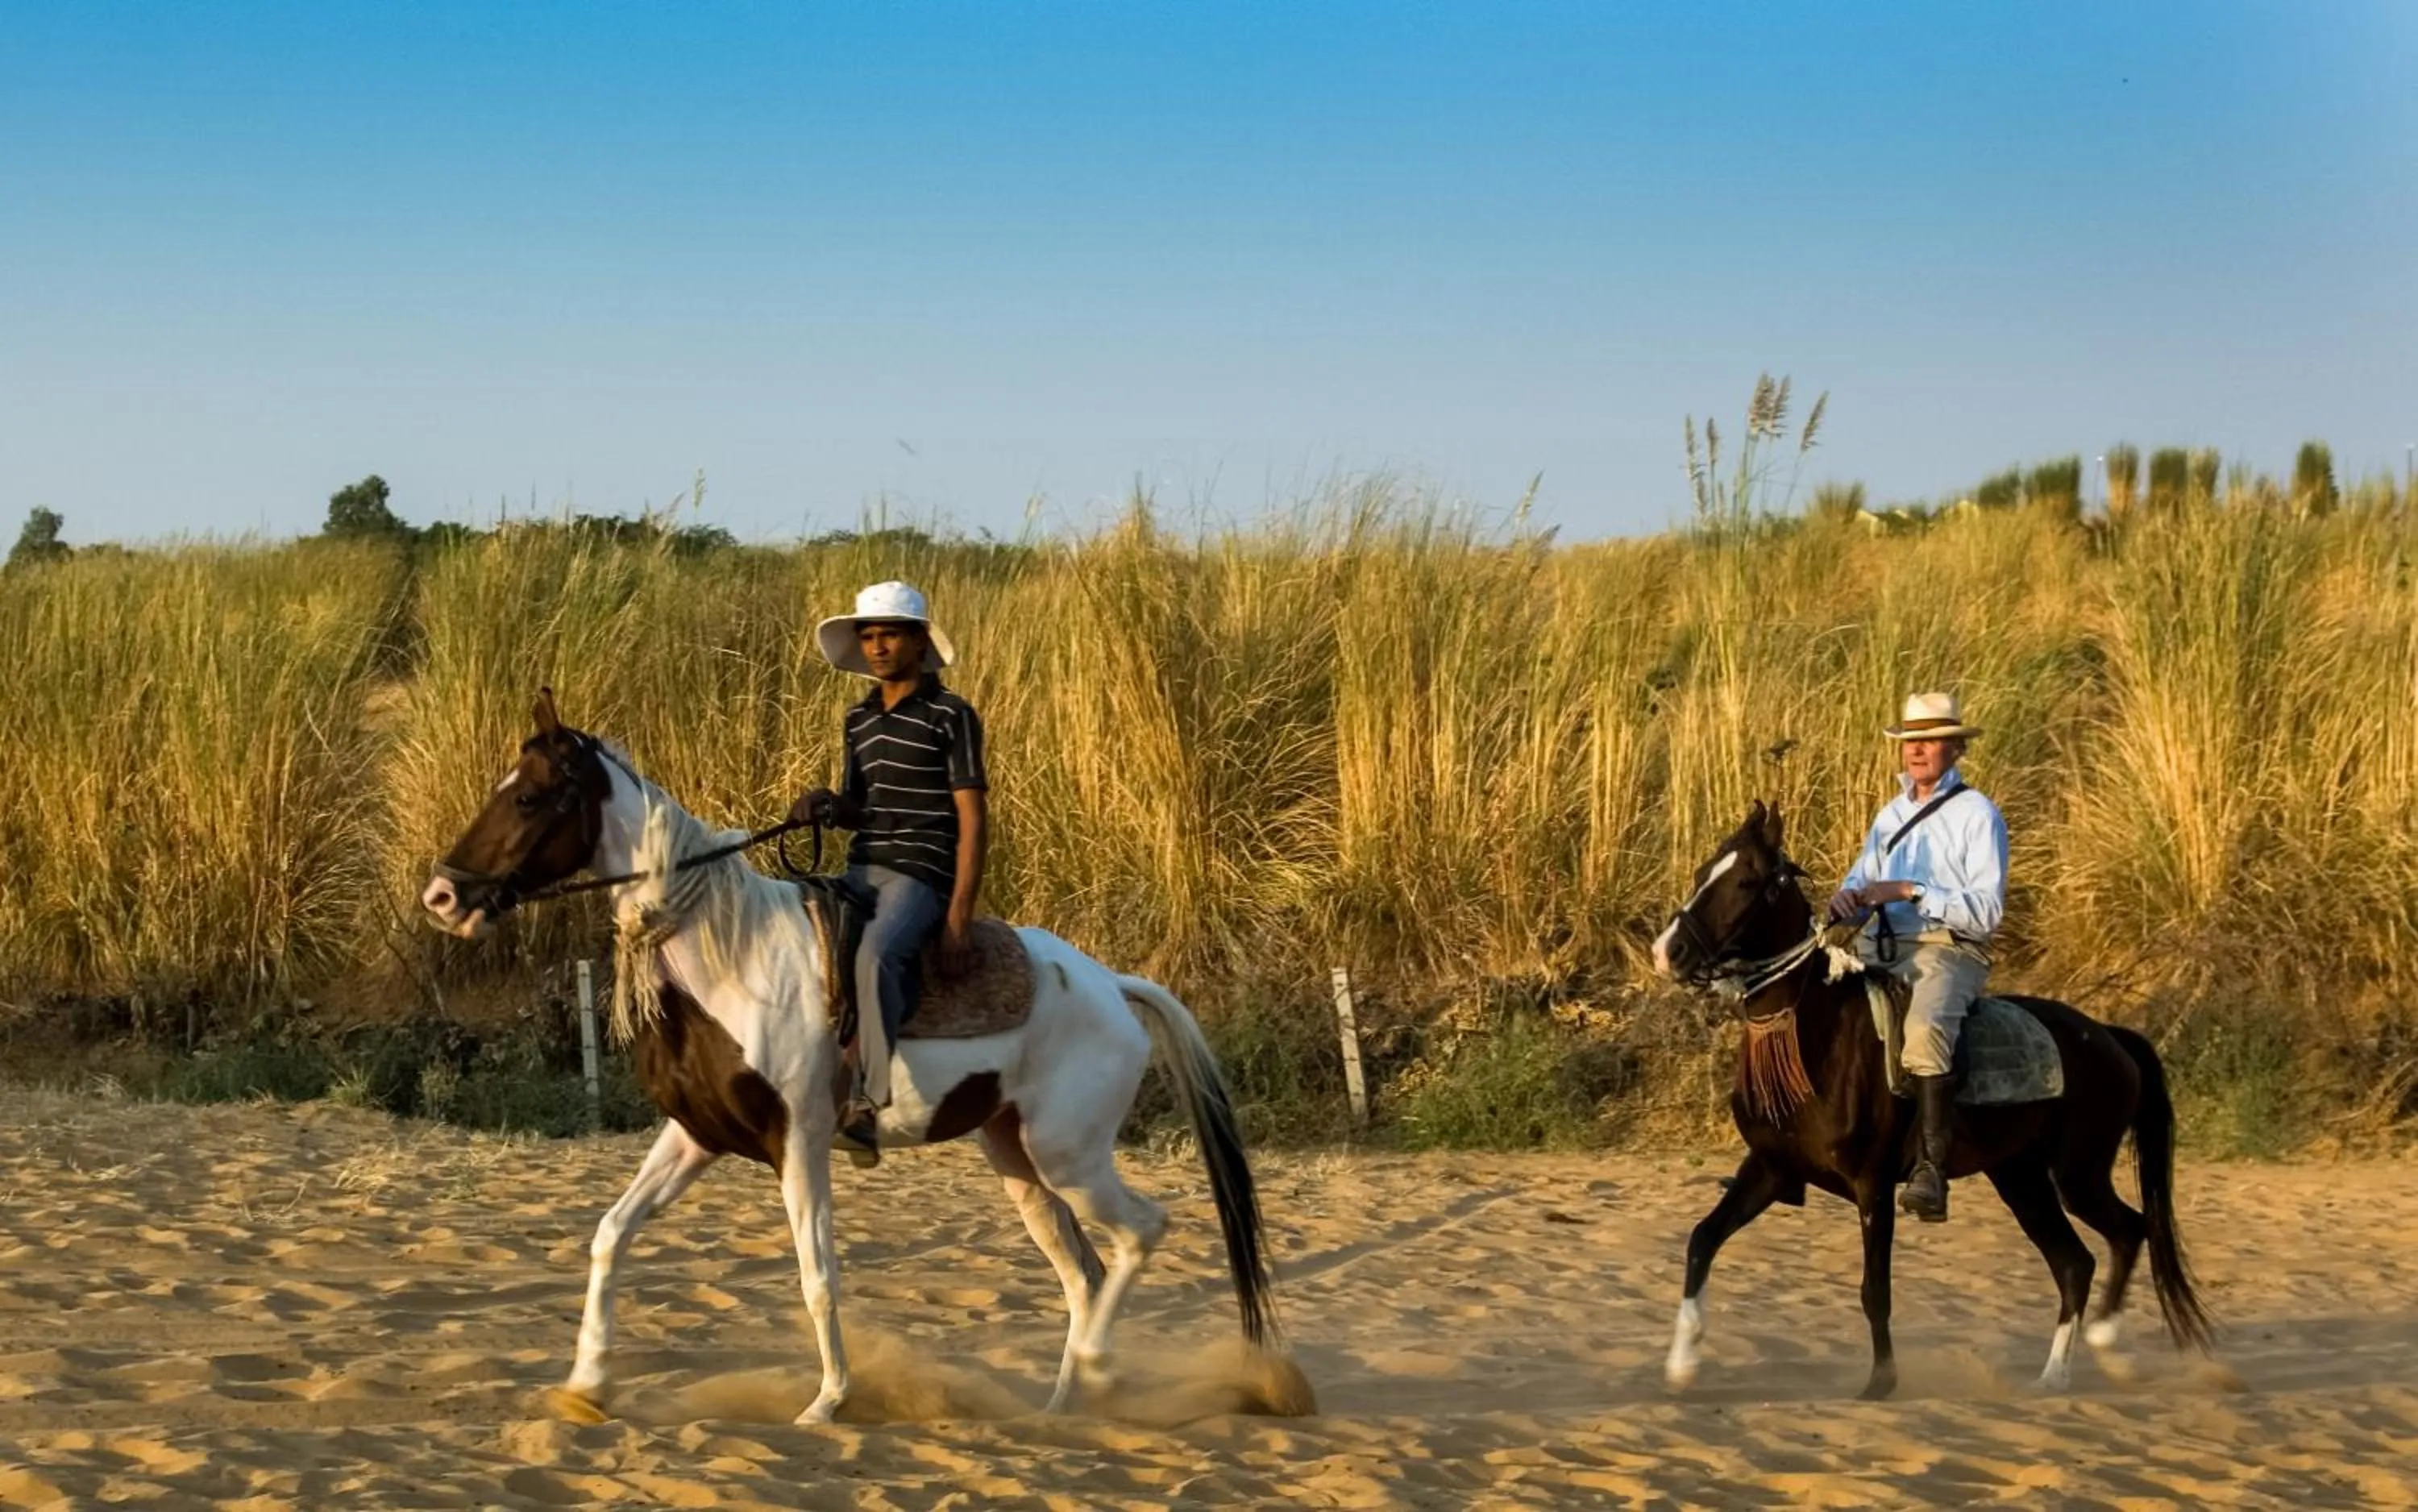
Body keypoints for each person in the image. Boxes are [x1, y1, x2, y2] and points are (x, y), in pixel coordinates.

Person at [790, 582, 989, 1165]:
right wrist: (824, 802)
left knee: (877, 955)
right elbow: (857, 807)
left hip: (922, 870)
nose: (877, 647)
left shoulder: (951, 716)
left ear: (920, 641)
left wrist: (958, 916)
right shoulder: (858, 718)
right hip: (861, 866)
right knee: (789, 933)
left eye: (890, 635)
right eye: (869, 637)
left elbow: (973, 820)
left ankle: (865, 1103)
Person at [1825, 691, 2008, 1223]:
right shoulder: (1891, 814)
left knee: (1925, 1029)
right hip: (1877, 944)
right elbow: (1862, 879)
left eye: (1929, 742)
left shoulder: (1978, 815)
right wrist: (1848, 897)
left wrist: (1913, 891)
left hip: (1947, 948)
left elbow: (1986, 912)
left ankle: (1931, 1167)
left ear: (1954, 749)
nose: (1917, 751)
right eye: (1911, 742)